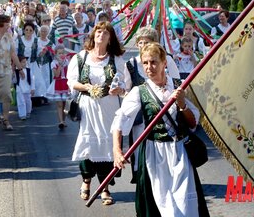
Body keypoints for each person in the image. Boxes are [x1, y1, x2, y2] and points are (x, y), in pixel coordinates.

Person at [112, 42, 209, 216]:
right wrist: (117, 151)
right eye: (145, 63)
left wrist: (182, 105)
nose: (149, 67)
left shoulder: (180, 86)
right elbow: (120, 120)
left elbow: (193, 123)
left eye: (154, 62)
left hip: (180, 152)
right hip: (153, 154)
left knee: (185, 203)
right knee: (160, 202)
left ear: (165, 62)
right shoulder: (139, 92)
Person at [67, 21, 125, 205]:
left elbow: (125, 85)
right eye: (99, 31)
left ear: (110, 38)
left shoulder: (116, 59)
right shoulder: (81, 57)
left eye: (106, 33)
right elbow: (71, 82)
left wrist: (120, 90)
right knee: (88, 144)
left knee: (108, 147)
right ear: (93, 35)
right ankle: (86, 181)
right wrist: (87, 87)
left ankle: (105, 188)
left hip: (109, 108)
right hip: (88, 108)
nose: (101, 35)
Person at [123, 27, 180, 183]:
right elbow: (127, 88)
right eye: (140, 43)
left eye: (146, 42)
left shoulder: (166, 60)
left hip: (163, 113)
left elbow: (176, 83)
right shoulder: (131, 64)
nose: (143, 46)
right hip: (140, 116)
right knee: (140, 145)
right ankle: (142, 177)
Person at [46, 45, 71, 129]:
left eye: (63, 53)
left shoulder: (67, 62)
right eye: (59, 53)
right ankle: (60, 121)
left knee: (65, 104)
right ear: (56, 54)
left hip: (66, 84)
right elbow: (56, 74)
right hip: (58, 83)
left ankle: (63, 121)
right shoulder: (53, 63)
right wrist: (60, 65)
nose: (61, 54)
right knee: (59, 104)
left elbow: (70, 73)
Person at [14, 56, 35, 120]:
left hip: (27, 88)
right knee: (21, 101)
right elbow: (14, 80)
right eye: (23, 62)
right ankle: (22, 114)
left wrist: (32, 88)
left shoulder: (28, 70)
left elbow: (32, 79)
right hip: (19, 88)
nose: (25, 63)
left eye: (25, 62)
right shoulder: (16, 71)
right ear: (19, 63)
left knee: (28, 101)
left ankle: (28, 111)